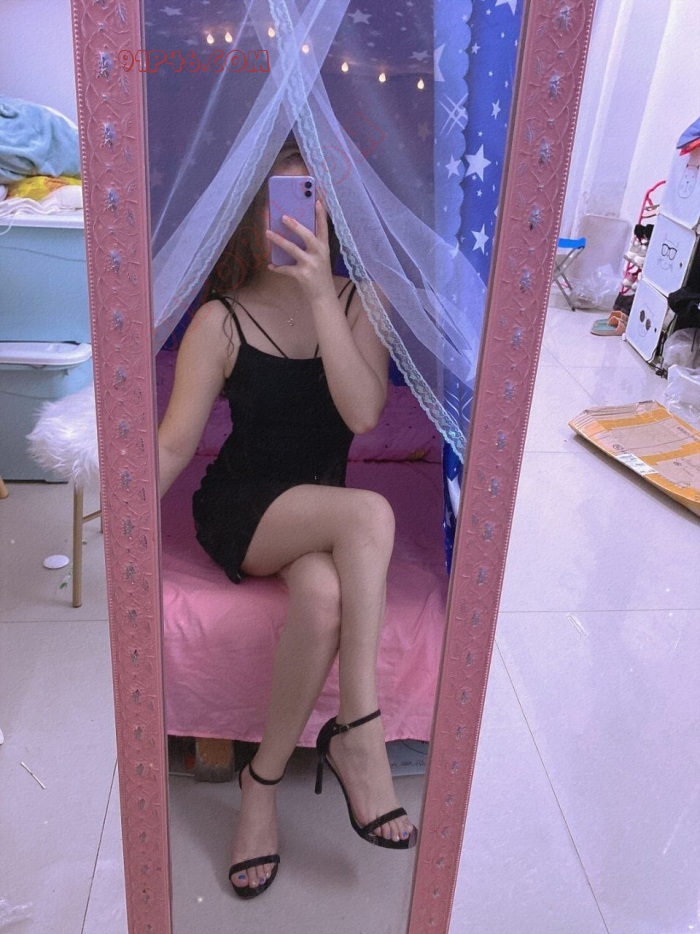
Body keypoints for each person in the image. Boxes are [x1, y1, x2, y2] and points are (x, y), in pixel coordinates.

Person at [157, 136, 418, 900]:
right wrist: (114, 516)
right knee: (368, 514)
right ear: (251, 215)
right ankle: (360, 730)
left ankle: (260, 786)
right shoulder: (220, 321)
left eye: (313, 199)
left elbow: (363, 413)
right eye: (283, 200)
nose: (297, 218)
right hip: (244, 504)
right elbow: (173, 445)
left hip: (321, 506)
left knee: (326, 594)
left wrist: (319, 294)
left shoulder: (363, 301)